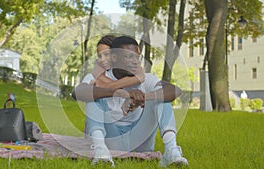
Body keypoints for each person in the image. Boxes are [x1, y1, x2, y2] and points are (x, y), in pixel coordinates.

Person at [72, 36, 188, 167]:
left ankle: (171, 150)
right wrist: (120, 92)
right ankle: (100, 152)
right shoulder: (96, 78)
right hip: (110, 139)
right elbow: (77, 92)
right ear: (114, 58)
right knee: (93, 96)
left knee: (161, 97)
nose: (135, 62)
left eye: (136, 57)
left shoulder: (146, 79)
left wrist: (143, 97)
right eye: (129, 57)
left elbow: (174, 91)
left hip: (140, 140)